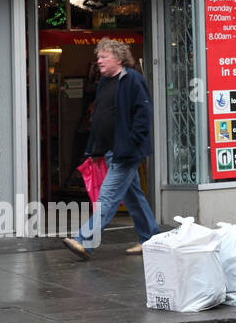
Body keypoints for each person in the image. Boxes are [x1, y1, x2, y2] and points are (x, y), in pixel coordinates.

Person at [63, 39, 163, 259]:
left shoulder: (133, 80)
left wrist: (130, 143)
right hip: (109, 150)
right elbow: (100, 116)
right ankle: (151, 238)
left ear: (118, 58)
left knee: (107, 197)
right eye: (98, 57)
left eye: (103, 57)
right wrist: (94, 148)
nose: (99, 61)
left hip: (125, 153)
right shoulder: (104, 82)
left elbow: (143, 116)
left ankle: (84, 241)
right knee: (133, 196)